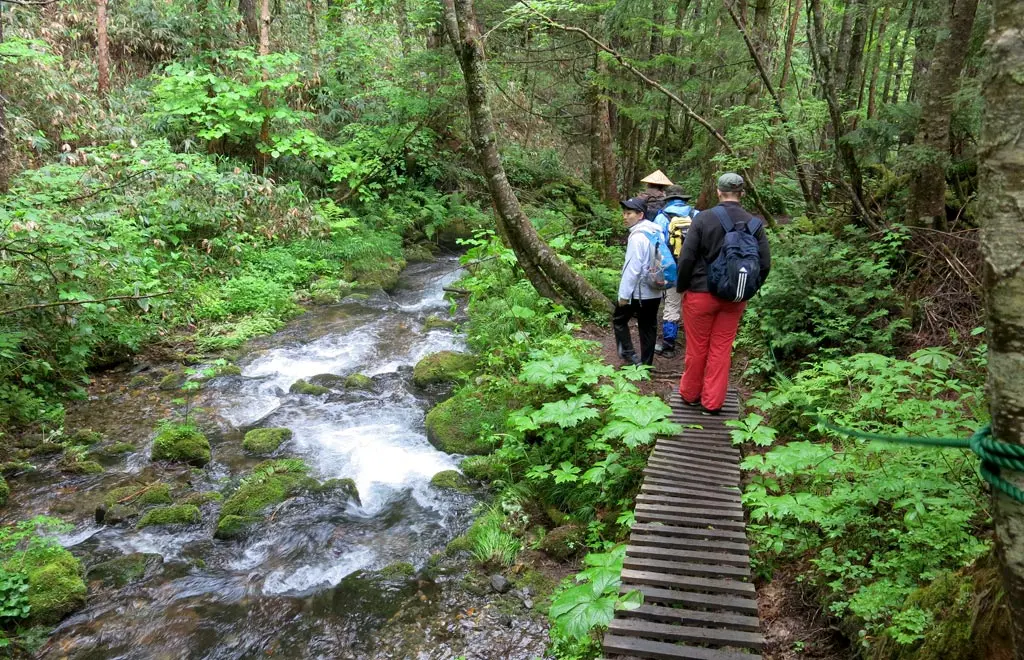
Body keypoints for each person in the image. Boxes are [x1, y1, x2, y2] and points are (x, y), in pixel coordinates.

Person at [676, 173, 770, 414]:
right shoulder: (754, 223)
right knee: (721, 349)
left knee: (697, 348)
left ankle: (690, 395)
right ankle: (713, 402)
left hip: (700, 294)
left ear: (718, 191)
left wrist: (682, 286)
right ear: (742, 193)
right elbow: (765, 264)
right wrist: (748, 289)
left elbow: (686, 257)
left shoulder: (703, 219)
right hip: (734, 298)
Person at [614, 198, 664, 366]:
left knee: (619, 320)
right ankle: (647, 363)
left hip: (638, 291)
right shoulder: (657, 231)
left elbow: (632, 268)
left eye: (629, 213)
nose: (625, 217)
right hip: (655, 288)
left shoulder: (637, 237)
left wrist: (623, 295)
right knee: (648, 326)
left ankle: (630, 356)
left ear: (640, 215)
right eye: (624, 213)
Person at [653, 185, 695, 359]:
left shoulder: (661, 218)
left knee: (671, 305)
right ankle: (695, 344)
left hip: (673, 270)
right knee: (694, 305)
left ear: (667, 200)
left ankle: (669, 345)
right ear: (684, 199)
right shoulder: (697, 215)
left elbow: (657, 247)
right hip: (695, 270)